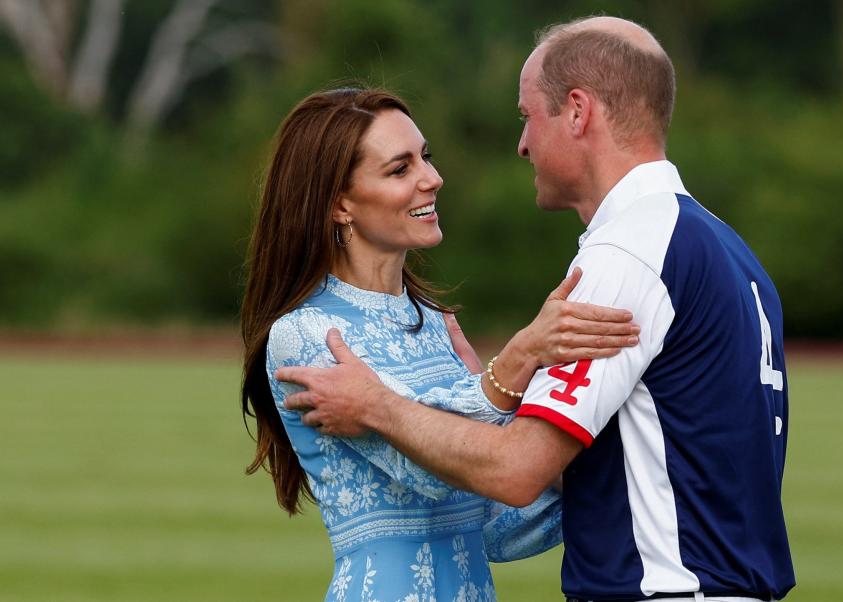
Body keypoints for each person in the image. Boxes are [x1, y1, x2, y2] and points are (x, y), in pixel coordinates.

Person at [279, 16, 796, 602]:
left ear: (577, 112)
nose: (522, 142)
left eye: (528, 115)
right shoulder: (725, 246)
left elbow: (512, 473)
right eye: (402, 167)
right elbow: (515, 501)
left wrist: (386, 406)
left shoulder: (627, 255)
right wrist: (501, 382)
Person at [240, 87, 643, 601]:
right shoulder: (306, 334)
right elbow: (431, 470)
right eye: (399, 168)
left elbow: (494, 522)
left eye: (425, 157)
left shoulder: (435, 323)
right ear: (340, 204)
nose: (432, 178)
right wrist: (517, 362)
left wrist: (610, 460)